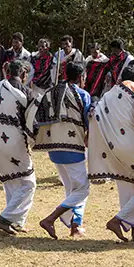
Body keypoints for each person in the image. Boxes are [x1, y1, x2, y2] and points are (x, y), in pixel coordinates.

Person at [87, 65, 134, 242]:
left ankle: (133, 229)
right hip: (131, 145)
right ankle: (118, 221)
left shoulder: (108, 95)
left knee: (126, 187)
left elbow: (95, 117)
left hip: (111, 148)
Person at [36, 62, 91, 239]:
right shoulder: (82, 95)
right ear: (81, 77)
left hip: (54, 147)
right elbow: (88, 122)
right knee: (82, 189)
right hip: (73, 147)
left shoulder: (51, 93)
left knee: (71, 190)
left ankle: (76, 225)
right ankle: (51, 219)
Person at [0, 60, 36, 235]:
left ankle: (16, 222)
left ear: (7, 73)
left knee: (11, 182)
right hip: (15, 141)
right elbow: (32, 122)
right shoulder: (26, 92)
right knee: (29, 183)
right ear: (23, 74)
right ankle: (5, 218)